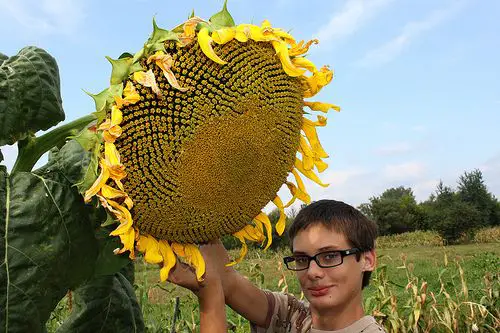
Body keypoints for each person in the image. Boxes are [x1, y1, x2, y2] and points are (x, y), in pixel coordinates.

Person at [168, 199, 386, 332]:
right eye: (301, 259)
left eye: (329, 256)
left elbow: (217, 285)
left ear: (367, 260)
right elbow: (229, 283)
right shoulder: (293, 316)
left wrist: (208, 294)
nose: (312, 272)